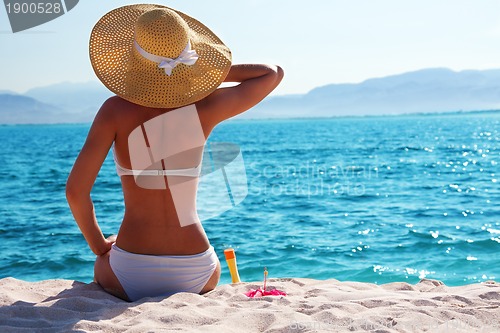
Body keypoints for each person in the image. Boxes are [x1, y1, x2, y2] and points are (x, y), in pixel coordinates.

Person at [66, 4, 283, 302]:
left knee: (102, 263)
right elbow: (272, 73)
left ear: (133, 56)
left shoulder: (114, 111)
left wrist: (100, 247)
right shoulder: (204, 107)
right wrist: (200, 71)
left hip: (132, 267)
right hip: (198, 268)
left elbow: (76, 192)